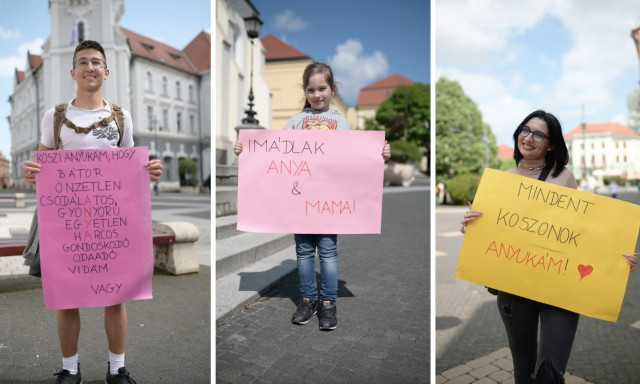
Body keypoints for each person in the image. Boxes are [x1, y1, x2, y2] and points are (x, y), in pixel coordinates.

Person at [459, 110, 638, 383]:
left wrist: (616, 257)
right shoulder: (501, 182)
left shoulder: (563, 177)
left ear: (551, 144)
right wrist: (471, 227)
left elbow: (580, 233)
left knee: (549, 376)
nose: (528, 137)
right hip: (514, 291)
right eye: (525, 129)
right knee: (522, 371)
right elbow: (495, 236)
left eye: (538, 134)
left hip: (560, 295)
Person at [22, 40, 162, 384]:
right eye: (83, 62)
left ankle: (117, 369)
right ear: (72, 72)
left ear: (106, 71)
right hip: (67, 221)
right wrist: (31, 172)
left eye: (96, 62)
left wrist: (148, 170)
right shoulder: (55, 116)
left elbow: (130, 166)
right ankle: (70, 369)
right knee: (67, 297)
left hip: (110, 219)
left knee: (115, 296)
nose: (90, 67)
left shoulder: (119, 116)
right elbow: (42, 165)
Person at [235, 62, 391, 331]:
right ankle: (307, 300)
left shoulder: (341, 123)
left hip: (329, 203)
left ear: (332, 89)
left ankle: (328, 303)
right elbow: (274, 153)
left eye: (322, 88)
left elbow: (356, 161)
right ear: (305, 91)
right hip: (300, 203)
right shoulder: (295, 121)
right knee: (304, 252)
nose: (317, 94)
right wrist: (245, 150)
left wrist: (380, 155)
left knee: (328, 253)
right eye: (311, 89)